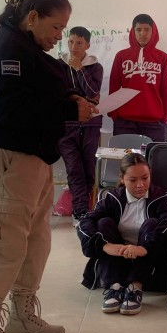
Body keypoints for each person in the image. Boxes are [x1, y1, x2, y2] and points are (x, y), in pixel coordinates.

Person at [0, 0, 97, 333]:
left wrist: (69, 99)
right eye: (56, 27)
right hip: (11, 158)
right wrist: (69, 110)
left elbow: (37, 91)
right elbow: (11, 110)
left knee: (36, 241)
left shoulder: (25, 47)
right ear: (33, 17)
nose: (60, 37)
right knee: (5, 244)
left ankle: (22, 316)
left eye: (64, 29)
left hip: (35, 157)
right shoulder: (6, 48)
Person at [77, 153, 167, 314]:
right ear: (122, 179)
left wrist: (145, 248)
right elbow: (86, 222)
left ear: (150, 174)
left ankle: (135, 287)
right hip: (119, 262)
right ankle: (115, 287)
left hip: (150, 266)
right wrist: (104, 245)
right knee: (103, 223)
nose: (140, 185)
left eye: (145, 178)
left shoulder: (162, 197)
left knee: (152, 223)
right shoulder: (112, 198)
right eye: (133, 180)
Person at [57, 26, 104, 225]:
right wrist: (77, 97)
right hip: (67, 125)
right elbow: (60, 93)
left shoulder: (95, 67)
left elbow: (93, 92)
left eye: (79, 42)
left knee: (88, 170)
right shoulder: (59, 65)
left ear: (87, 45)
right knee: (74, 169)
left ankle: (85, 210)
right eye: (70, 41)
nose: (73, 46)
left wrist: (80, 69)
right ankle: (81, 211)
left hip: (91, 125)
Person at [108, 13, 167, 142]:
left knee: (155, 156)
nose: (142, 33)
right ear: (133, 31)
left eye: (147, 30)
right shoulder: (121, 56)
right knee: (124, 156)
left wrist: (166, 117)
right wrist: (114, 114)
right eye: (138, 30)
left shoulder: (163, 58)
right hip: (125, 123)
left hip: (155, 123)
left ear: (153, 31)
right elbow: (114, 86)